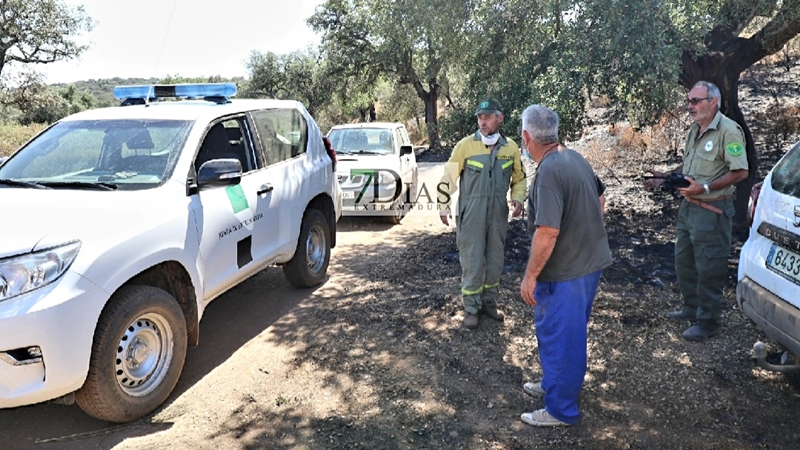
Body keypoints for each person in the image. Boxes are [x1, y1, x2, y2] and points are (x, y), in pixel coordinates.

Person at [518, 104, 612, 427]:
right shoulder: (574, 157)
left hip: (568, 272)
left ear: (527, 137)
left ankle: (560, 409)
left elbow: (547, 232)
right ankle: (552, 385)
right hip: (587, 264)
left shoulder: (548, 172)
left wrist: (530, 277)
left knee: (562, 337)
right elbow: (600, 199)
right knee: (561, 334)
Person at [644, 81, 749, 342]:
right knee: (685, 263)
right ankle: (691, 308)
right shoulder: (696, 129)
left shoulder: (728, 131)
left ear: (713, 101)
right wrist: (665, 178)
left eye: (696, 101)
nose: (690, 106)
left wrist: (704, 187)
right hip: (689, 208)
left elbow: (740, 172)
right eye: (689, 101)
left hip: (712, 210)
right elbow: (691, 166)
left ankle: (708, 321)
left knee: (709, 267)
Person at [439, 98, 526, 329]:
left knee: (495, 260)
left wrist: (518, 198)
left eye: (487, 117)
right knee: (472, 261)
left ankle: (488, 303)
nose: (482, 121)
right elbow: (448, 177)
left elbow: (519, 179)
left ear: (500, 118)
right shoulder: (465, 146)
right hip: (471, 215)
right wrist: (443, 203)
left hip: (497, 214)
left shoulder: (511, 148)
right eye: (479, 117)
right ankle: (471, 308)